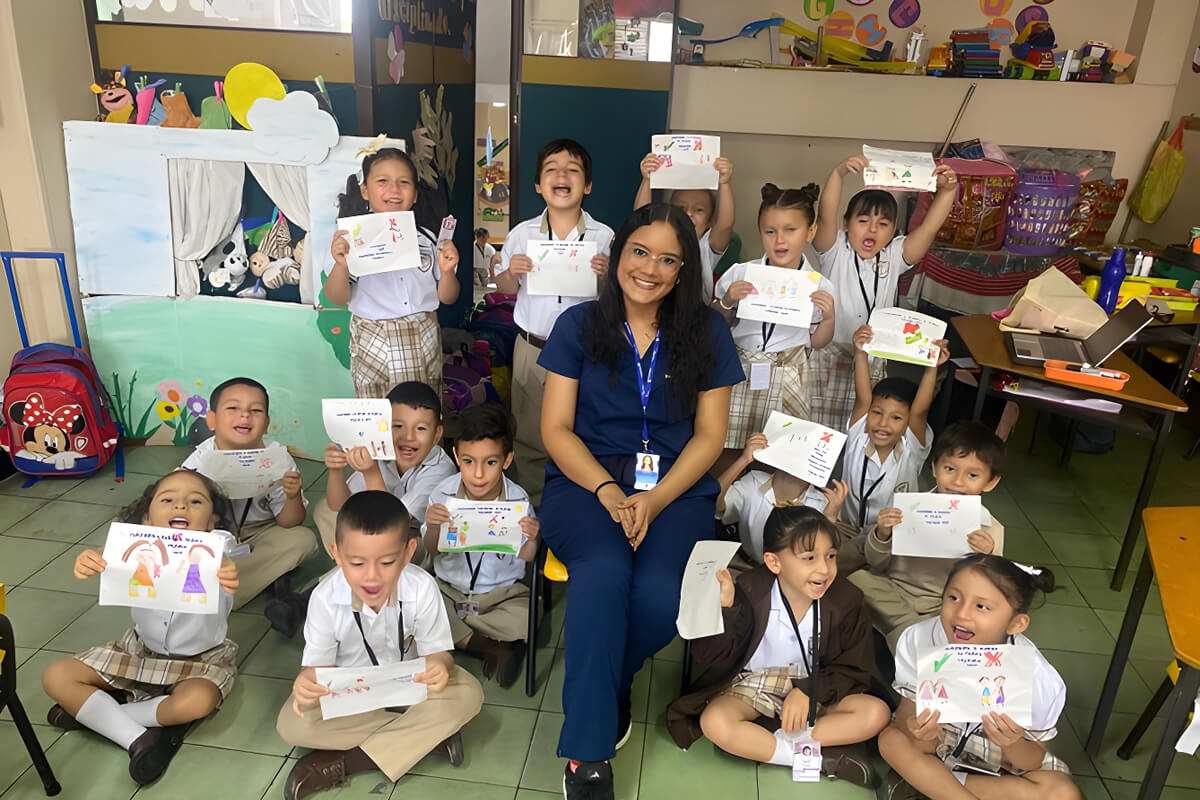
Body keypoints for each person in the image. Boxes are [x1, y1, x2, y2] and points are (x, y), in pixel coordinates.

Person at [538, 203, 744, 799]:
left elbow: (710, 437)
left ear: (683, 271)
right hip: (586, 482)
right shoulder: (579, 325)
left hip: (676, 489)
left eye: (668, 260)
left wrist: (654, 501)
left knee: (657, 595)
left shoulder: (707, 331)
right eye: (640, 252)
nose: (650, 269)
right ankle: (587, 756)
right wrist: (607, 490)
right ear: (618, 254)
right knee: (603, 573)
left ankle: (605, 683)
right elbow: (555, 429)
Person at [276, 491, 483, 800]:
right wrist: (307, 681)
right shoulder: (324, 597)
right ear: (336, 553)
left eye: (387, 562)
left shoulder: (422, 587)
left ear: (409, 551)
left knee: (469, 694)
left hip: (410, 686)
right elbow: (316, 669)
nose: (371, 576)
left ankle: (350, 760)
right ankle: (429, 737)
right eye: (357, 563)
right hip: (351, 692)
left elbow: (439, 654)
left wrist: (440, 666)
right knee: (292, 725)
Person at [41, 470, 240, 785]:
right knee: (56, 676)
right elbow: (105, 559)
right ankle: (137, 738)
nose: (181, 506)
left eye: (195, 501)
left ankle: (98, 716)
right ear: (146, 519)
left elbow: (225, 552)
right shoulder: (134, 547)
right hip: (139, 651)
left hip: (203, 659)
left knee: (197, 702)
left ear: (212, 520)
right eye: (168, 500)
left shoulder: (217, 544)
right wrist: (89, 560)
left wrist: (224, 566)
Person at [667, 508, 889, 787]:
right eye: (809, 558)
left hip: (816, 683)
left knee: (876, 713)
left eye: (831, 556)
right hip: (753, 683)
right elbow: (711, 656)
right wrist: (726, 610)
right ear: (774, 562)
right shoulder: (749, 590)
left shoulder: (847, 600)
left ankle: (765, 742)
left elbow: (854, 668)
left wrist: (808, 691)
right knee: (715, 721)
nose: (824, 569)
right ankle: (814, 758)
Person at [879, 555, 1080, 800]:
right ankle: (939, 786)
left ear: (1016, 624)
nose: (961, 614)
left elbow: (1031, 761)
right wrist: (915, 728)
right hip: (938, 744)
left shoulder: (1039, 677)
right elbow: (906, 714)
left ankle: (928, 785)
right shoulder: (918, 639)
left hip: (1003, 764)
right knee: (892, 740)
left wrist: (1011, 742)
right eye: (953, 598)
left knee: (1064, 793)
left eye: (981, 607)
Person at [494, 139, 615, 504]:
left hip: (587, 352)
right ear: (538, 185)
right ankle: (536, 509)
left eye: (573, 170)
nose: (562, 175)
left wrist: (606, 276)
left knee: (582, 432)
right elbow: (504, 287)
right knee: (530, 435)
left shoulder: (605, 236)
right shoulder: (521, 234)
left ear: (587, 185)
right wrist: (511, 273)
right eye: (551, 170)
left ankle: (577, 505)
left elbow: (615, 298)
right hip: (534, 348)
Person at [808, 154, 958, 429]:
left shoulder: (895, 255)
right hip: (829, 356)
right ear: (846, 224)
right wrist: (839, 173)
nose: (873, 229)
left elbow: (929, 228)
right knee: (821, 429)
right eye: (863, 220)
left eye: (883, 224)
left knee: (862, 430)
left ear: (893, 232)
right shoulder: (835, 250)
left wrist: (948, 191)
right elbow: (825, 214)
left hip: (873, 358)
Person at [849, 421, 1006, 651]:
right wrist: (882, 534)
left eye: (972, 475)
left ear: (990, 482)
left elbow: (988, 590)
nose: (958, 482)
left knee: (979, 615)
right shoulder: (909, 509)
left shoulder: (990, 529)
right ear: (934, 467)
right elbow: (876, 563)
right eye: (949, 469)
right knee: (857, 579)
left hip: (943, 604)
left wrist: (986, 558)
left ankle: (908, 632)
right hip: (893, 590)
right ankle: (915, 631)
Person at [180, 377, 317, 631]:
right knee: (184, 544)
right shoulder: (199, 461)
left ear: (266, 422)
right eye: (233, 408)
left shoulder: (278, 459)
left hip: (261, 531)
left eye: (256, 410)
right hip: (213, 533)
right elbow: (176, 515)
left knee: (303, 540)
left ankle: (222, 589)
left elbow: (289, 521)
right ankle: (262, 576)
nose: (245, 416)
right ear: (211, 420)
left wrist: (293, 495)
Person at [324, 144, 460, 399]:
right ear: (365, 190)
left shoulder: (430, 239)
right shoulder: (347, 240)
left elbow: (448, 297)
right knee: (377, 415)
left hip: (423, 335)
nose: (394, 190)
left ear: (415, 194)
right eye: (382, 181)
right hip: (371, 338)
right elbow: (337, 297)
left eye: (404, 182)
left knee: (422, 410)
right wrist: (341, 265)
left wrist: (448, 272)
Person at [422, 404, 539, 688]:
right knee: (418, 600)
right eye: (468, 461)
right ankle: (489, 646)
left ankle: (458, 638)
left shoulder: (518, 500)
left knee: (529, 615)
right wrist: (434, 527)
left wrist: (533, 538)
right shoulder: (442, 494)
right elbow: (432, 550)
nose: (478, 474)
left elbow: (527, 556)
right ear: (456, 457)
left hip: (500, 596)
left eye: (490, 462)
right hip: (449, 590)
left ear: (507, 460)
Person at [713, 183, 836, 450]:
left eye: (790, 230)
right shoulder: (741, 273)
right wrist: (727, 300)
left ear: (810, 232)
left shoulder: (819, 285)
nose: (780, 240)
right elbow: (716, 321)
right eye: (770, 231)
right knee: (727, 446)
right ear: (760, 232)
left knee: (781, 451)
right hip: (740, 367)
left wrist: (828, 319)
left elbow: (817, 342)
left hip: (789, 370)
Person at [316, 381, 456, 558]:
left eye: (421, 428)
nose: (408, 437)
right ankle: (356, 563)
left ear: (436, 435)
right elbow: (337, 505)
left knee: (398, 540)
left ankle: (358, 563)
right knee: (325, 510)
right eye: (397, 426)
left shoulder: (440, 469)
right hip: (373, 527)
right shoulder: (378, 450)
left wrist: (371, 473)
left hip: (411, 538)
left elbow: (391, 520)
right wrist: (335, 469)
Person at [841, 325, 946, 535]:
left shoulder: (912, 448)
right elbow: (863, 397)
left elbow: (919, 412)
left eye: (896, 418)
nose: (883, 423)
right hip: (847, 530)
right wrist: (861, 352)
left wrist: (932, 365)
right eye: (876, 412)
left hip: (893, 536)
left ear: (907, 424)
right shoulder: (859, 434)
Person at [715, 431, 851, 565]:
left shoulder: (822, 503)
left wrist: (830, 517)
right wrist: (743, 460)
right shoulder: (753, 482)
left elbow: (821, 556)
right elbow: (714, 504)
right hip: (747, 564)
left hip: (795, 573)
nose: (797, 458)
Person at [633, 151, 735, 301]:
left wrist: (724, 183)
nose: (689, 214)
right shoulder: (658, 240)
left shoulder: (705, 247)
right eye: (681, 208)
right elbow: (642, 219)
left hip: (693, 313)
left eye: (699, 210)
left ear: (709, 222)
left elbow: (726, 224)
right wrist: (647, 179)